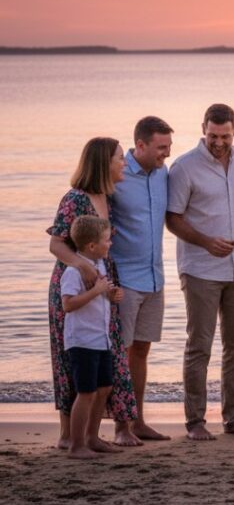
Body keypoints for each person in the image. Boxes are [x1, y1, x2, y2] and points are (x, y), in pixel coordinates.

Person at [166, 103, 234, 440]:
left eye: (226, 136)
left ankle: (233, 417)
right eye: (213, 135)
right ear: (203, 128)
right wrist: (205, 242)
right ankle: (195, 422)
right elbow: (172, 218)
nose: (219, 142)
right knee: (199, 346)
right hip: (201, 269)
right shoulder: (184, 168)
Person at [47, 137, 138, 449]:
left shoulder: (107, 199)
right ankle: (67, 435)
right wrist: (83, 267)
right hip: (74, 281)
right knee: (72, 359)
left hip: (103, 285)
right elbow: (56, 243)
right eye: (118, 159)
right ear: (103, 163)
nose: (123, 163)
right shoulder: (75, 199)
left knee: (105, 357)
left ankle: (91, 434)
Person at [110, 116, 174, 443]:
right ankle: (120, 428)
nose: (167, 154)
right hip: (125, 280)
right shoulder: (117, 175)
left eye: (169, 147)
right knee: (120, 353)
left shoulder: (163, 174)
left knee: (142, 353)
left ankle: (138, 421)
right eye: (161, 148)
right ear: (141, 145)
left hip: (155, 277)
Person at [61, 216, 124, 459]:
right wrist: (97, 291)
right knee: (85, 392)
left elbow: (103, 295)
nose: (110, 244)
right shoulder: (74, 271)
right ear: (91, 246)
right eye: (106, 241)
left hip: (101, 339)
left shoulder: (101, 266)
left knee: (105, 386)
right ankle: (76, 445)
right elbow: (67, 305)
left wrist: (111, 294)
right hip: (82, 340)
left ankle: (92, 437)